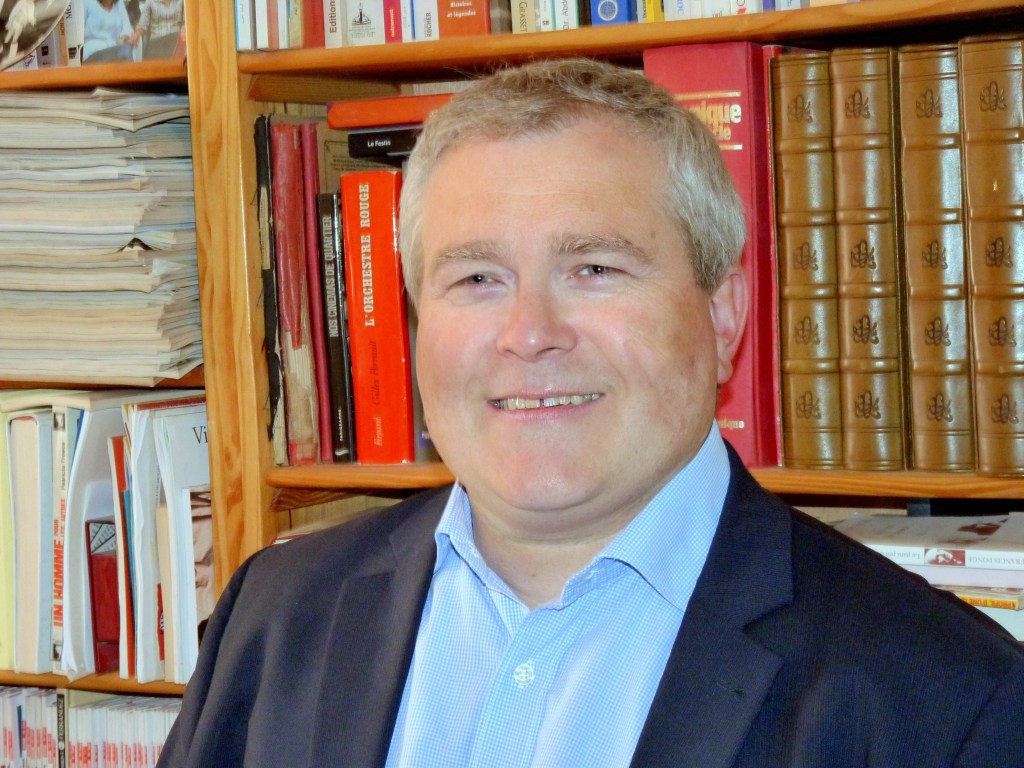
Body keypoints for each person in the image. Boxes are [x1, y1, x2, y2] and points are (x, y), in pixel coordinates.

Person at [158, 58, 1024, 767]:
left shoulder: (948, 700)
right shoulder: (274, 615)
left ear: (723, 316)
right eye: (477, 278)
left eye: (595, 270)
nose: (530, 334)